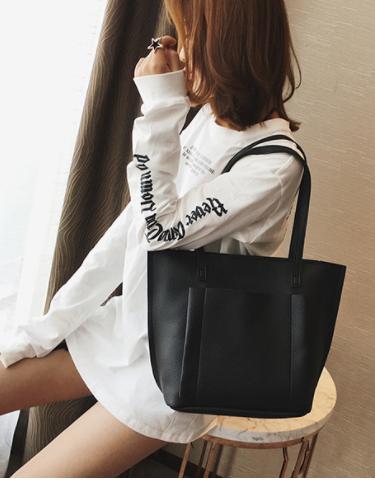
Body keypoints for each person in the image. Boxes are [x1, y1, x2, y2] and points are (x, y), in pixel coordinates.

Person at [0, 0, 305, 476]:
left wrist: (161, 106)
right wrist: (45, 331)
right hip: (126, 329)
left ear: (226, 46)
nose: (179, 49)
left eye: (190, 35)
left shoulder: (275, 165)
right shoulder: (207, 122)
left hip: (172, 370)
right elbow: (129, 232)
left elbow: (161, 230)